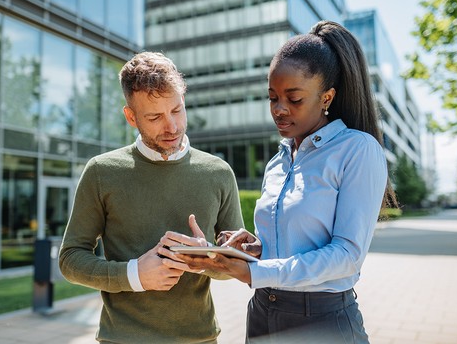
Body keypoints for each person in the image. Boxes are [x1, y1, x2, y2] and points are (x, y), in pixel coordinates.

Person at [168, 20, 397, 343]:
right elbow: (289, 248)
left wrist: (255, 272)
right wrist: (255, 248)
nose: (279, 109)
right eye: (272, 97)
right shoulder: (278, 161)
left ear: (327, 97)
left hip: (321, 320)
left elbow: (347, 254)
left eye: (294, 98)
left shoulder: (357, 150)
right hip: (263, 312)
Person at [58, 51, 244, 343]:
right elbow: (70, 259)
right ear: (131, 117)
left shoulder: (218, 173)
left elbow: (234, 266)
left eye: (177, 110)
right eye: (155, 117)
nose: (171, 126)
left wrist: (206, 256)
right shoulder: (101, 172)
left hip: (200, 338)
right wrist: (134, 275)